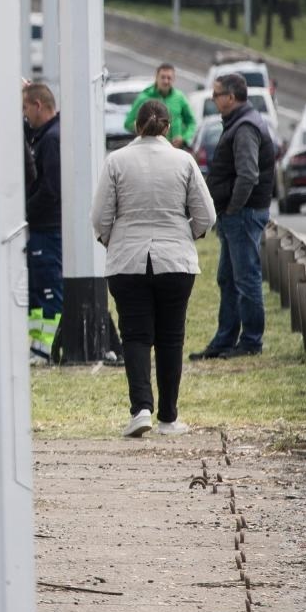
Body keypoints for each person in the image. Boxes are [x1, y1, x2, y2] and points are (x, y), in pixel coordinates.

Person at [91, 99, 217, 436]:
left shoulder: (116, 162)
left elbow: (100, 217)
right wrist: (184, 234)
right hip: (176, 260)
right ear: (168, 127)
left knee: (134, 335)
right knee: (171, 338)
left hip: (127, 260)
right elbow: (207, 214)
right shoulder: (184, 161)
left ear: (136, 125)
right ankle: (169, 417)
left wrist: (111, 239)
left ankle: (141, 410)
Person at [191, 73, 274, 359]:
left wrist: (234, 207)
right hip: (236, 215)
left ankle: (251, 341)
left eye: (216, 94)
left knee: (246, 278)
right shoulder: (239, 123)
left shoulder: (245, 128)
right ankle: (225, 339)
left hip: (243, 214)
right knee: (228, 278)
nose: (213, 100)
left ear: (231, 97)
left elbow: (248, 174)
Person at [21, 83, 64, 361]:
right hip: (41, 228)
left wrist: (22, 211)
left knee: (48, 288)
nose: (24, 114)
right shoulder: (43, 135)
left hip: (47, 228)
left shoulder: (50, 140)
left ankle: (47, 346)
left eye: (25, 108)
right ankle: (38, 344)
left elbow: (50, 188)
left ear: (38, 106)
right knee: (37, 289)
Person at [124, 64, 198, 150]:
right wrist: (146, 128)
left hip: (174, 149)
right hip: (149, 149)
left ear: (174, 79)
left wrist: (184, 138)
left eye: (169, 78)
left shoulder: (180, 97)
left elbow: (192, 122)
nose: (166, 81)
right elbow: (128, 123)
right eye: (163, 77)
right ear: (156, 77)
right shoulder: (144, 97)